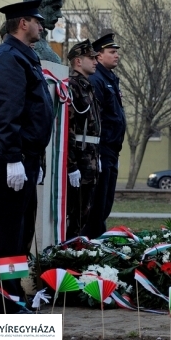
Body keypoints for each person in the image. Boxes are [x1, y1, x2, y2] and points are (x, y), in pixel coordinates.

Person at [0, 0, 54, 313]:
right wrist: (13, 157)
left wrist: (34, 159)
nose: (42, 26)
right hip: (12, 157)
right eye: (38, 21)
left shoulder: (25, 57)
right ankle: (5, 305)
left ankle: (13, 298)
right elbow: (7, 112)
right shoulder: (8, 59)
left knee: (20, 234)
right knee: (8, 236)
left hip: (26, 157)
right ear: (23, 23)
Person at [85, 33, 126, 239]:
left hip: (112, 150)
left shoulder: (109, 78)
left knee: (105, 203)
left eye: (117, 51)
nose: (116, 55)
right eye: (112, 52)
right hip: (101, 150)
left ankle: (95, 242)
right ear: (99, 56)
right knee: (97, 205)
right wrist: (98, 152)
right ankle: (91, 245)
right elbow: (96, 119)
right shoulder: (97, 79)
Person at [66, 40, 102, 238]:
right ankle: (67, 257)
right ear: (78, 61)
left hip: (90, 158)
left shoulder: (88, 86)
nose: (96, 61)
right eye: (91, 58)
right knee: (76, 213)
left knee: (85, 214)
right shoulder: (74, 86)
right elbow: (70, 128)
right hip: (80, 159)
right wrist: (71, 165)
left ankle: (76, 252)